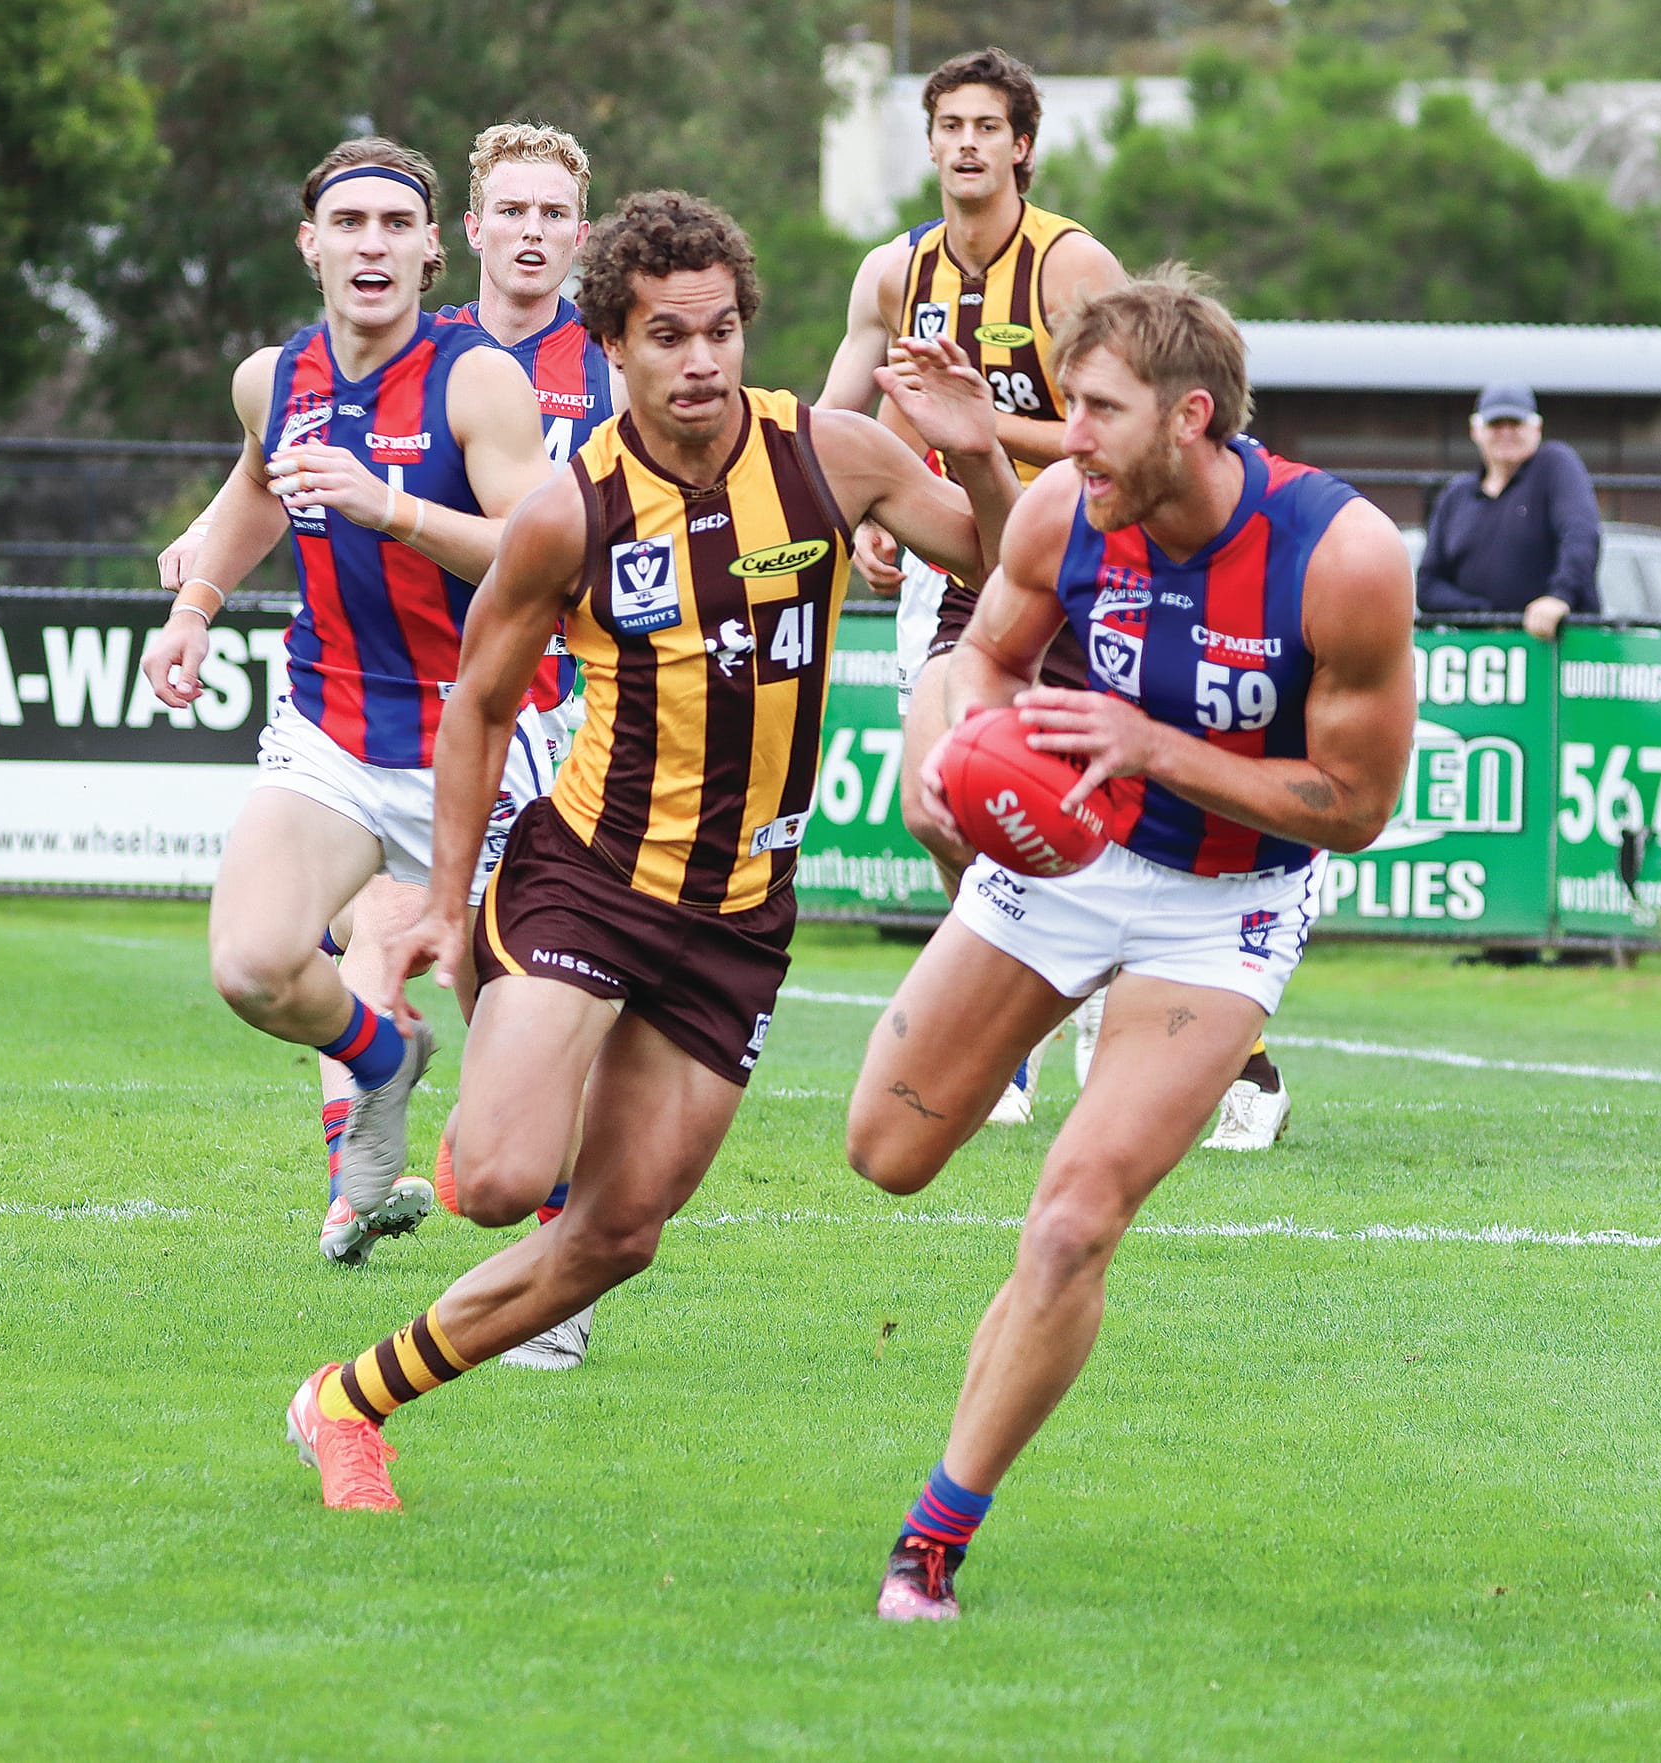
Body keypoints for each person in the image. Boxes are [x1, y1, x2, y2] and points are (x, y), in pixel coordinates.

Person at [280, 188, 1022, 1514]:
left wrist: (975, 454)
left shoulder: (832, 454)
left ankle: (349, 1400)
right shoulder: (572, 510)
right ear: (613, 348)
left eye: (722, 331)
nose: (701, 361)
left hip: (739, 918)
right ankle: (488, 1087)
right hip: (588, 877)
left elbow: (1010, 565)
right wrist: (448, 900)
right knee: (503, 1182)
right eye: (667, 336)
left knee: (616, 1236)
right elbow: (481, 703)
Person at [844, 269, 1417, 1620]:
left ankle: (932, 1539)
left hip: (1227, 903)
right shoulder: (1062, 506)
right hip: (1066, 854)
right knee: (887, 1149)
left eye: (1096, 409)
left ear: (1192, 416)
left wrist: (1161, 749)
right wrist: (943, 756)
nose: (1071, 433)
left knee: (1073, 1221)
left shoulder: (1342, 554)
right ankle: (1015, 1337)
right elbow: (980, 661)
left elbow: (1358, 808)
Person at [160, 126, 621, 1353]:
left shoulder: (478, 380)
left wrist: (398, 509)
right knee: (254, 965)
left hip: (486, 732)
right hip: (330, 728)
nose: (371, 246)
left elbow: (550, 549)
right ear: (311, 244)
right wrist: (195, 607)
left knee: (513, 1029)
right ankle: (376, 1060)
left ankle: (547, 1298)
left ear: (430, 248)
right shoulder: (276, 375)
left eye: (391, 227)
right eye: (346, 225)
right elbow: (261, 487)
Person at [818, 45, 1125, 1124]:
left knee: (1134, 812)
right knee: (936, 805)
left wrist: (976, 424)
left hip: (1085, 561)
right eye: (948, 123)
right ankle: (1017, 1021)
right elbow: (841, 421)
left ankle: (1142, 1005)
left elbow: (1122, 423)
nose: (964, 142)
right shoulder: (890, 272)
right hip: (969, 560)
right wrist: (859, 506)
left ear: (1021, 146)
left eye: (986, 125)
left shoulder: (1071, 268)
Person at [1416, 381, 1600, 640]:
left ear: (1536, 428)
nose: (1506, 432)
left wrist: (1559, 597)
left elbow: (1581, 534)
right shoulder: (1456, 495)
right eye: (1495, 424)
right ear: (1476, 430)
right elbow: (1428, 586)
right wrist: (1487, 616)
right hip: (1483, 656)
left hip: (1555, 646)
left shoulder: (1554, 466)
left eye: (1515, 424)